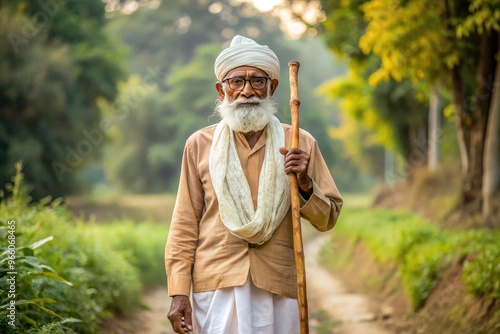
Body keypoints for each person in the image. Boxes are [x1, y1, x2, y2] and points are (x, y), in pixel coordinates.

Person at [165, 35, 343, 334]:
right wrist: (179, 290)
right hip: (217, 282)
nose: (247, 91)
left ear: (272, 87)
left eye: (257, 81)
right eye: (237, 82)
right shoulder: (199, 144)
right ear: (221, 90)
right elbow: (184, 222)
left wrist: (304, 183)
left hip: (278, 284)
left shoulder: (298, 142)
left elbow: (329, 218)